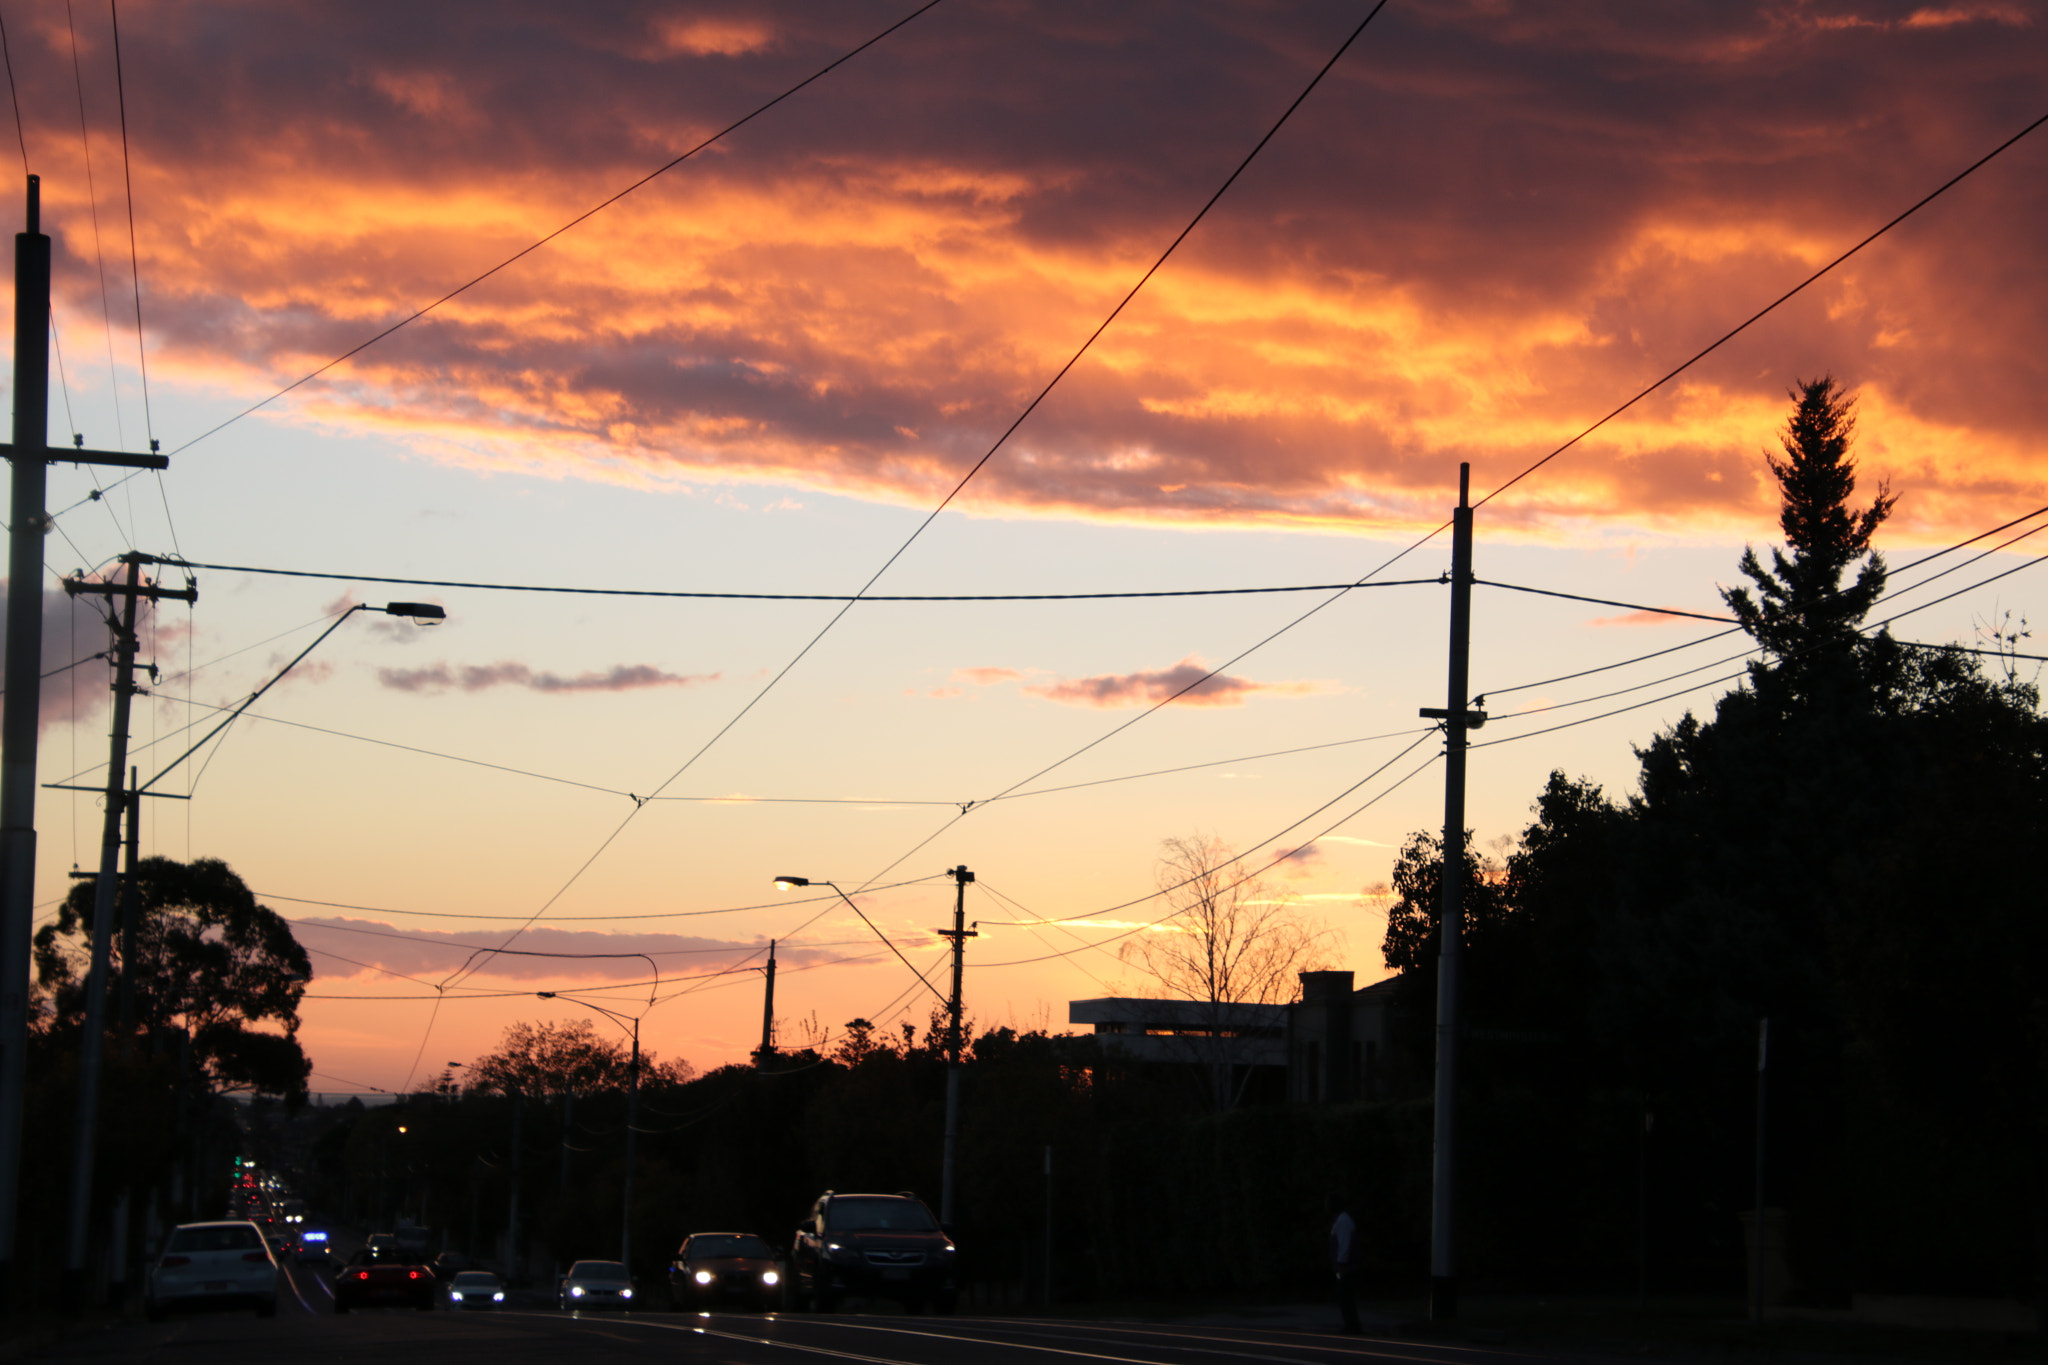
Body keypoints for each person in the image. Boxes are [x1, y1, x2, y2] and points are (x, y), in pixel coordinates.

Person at [1327, 1193, 1362, 1334]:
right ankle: (1351, 1323)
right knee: (1346, 1296)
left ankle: (1352, 1325)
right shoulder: (1342, 1220)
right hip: (1346, 1265)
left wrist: (1341, 1263)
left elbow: (1344, 1244)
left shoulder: (1342, 1221)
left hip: (1346, 1267)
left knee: (1345, 1295)